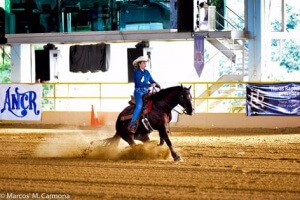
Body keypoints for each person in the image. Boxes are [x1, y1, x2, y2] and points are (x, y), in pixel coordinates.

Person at [128, 56, 160, 133]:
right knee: (139, 106)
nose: (145, 64)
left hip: (146, 91)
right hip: (138, 92)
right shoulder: (136, 72)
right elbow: (138, 84)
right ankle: (132, 124)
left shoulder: (147, 72)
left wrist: (157, 85)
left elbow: (152, 80)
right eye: (144, 62)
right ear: (139, 64)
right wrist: (149, 85)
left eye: (145, 62)